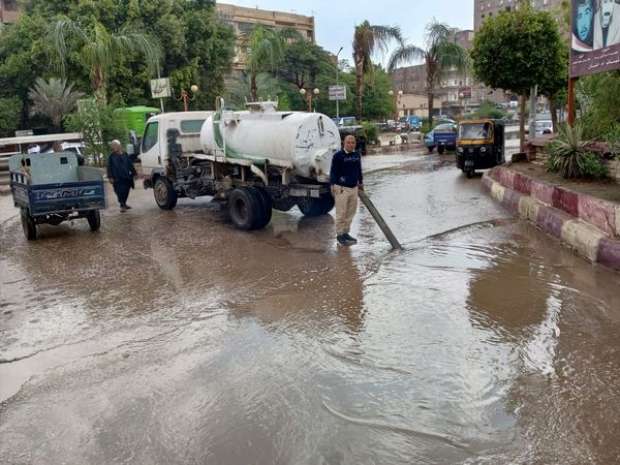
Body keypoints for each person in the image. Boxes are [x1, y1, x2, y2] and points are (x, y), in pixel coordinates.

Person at [330, 135, 364, 246]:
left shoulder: (356, 155)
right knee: (341, 213)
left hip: (354, 188)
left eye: (352, 142)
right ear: (343, 143)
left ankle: (346, 233)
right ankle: (340, 236)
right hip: (341, 188)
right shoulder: (338, 156)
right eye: (348, 142)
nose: (350, 144)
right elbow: (333, 171)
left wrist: (361, 182)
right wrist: (333, 185)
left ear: (355, 144)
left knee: (350, 213)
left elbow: (359, 170)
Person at [107, 140, 137, 212]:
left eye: (115, 145)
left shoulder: (125, 154)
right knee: (119, 192)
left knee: (126, 190)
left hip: (126, 176)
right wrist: (110, 177)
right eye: (112, 146)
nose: (113, 147)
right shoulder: (111, 156)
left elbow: (130, 164)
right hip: (117, 178)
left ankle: (124, 204)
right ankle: (122, 205)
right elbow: (109, 167)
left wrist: (134, 173)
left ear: (119, 146)